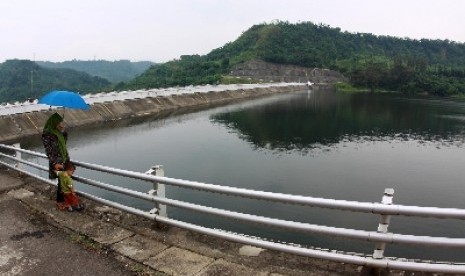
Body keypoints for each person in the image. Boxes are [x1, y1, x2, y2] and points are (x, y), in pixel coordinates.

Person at [42, 112, 70, 205]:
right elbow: (49, 151)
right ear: (55, 123)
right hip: (57, 162)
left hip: (64, 160)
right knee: (62, 182)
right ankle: (60, 202)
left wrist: (64, 132)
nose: (62, 124)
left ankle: (64, 200)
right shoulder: (47, 134)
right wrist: (55, 163)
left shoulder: (59, 132)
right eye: (60, 123)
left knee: (65, 182)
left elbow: (64, 144)